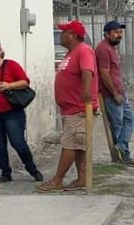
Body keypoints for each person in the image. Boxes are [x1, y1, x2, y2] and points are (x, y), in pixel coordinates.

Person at [37, 20, 99, 193]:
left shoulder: (83, 50)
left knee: (70, 144)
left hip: (79, 108)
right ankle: (81, 179)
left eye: (64, 32)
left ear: (73, 35)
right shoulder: (71, 53)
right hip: (70, 108)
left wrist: (87, 89)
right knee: (78, 145)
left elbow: (88, 71)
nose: (61, 34)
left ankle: (57, 180)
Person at [0, 37, 42, 183]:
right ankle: (6, 173)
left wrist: (8, 86)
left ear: (0, 50)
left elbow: (25, 82)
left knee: (18, 142)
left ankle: (32, 169)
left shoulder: (11, 65)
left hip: (12, 112)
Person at [96, 20, 134, 167]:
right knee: (117, 126)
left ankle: (121, 147)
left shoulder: (111, 48)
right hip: (111, 95)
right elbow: (104, 74)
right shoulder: (103, 49)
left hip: (120, 93)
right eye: (116, 32)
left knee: (131, 121)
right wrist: (114, 94)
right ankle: (121, 156)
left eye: (120, 32)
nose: (119, 35)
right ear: (106, 34)